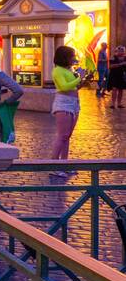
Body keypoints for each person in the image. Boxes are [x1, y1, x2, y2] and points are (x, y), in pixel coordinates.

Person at [50, 44, 86, 182]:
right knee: (62, 135)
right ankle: (53, 165)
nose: (74, 58)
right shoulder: (57, 71)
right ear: (65, 57)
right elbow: (64, 87)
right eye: (72, 56)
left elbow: (75, 86)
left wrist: (82, 79)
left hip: (74, 103)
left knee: (67, 136)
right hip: (63, 103)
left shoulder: (68, 69)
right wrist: (79, 78)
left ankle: (64, 164)